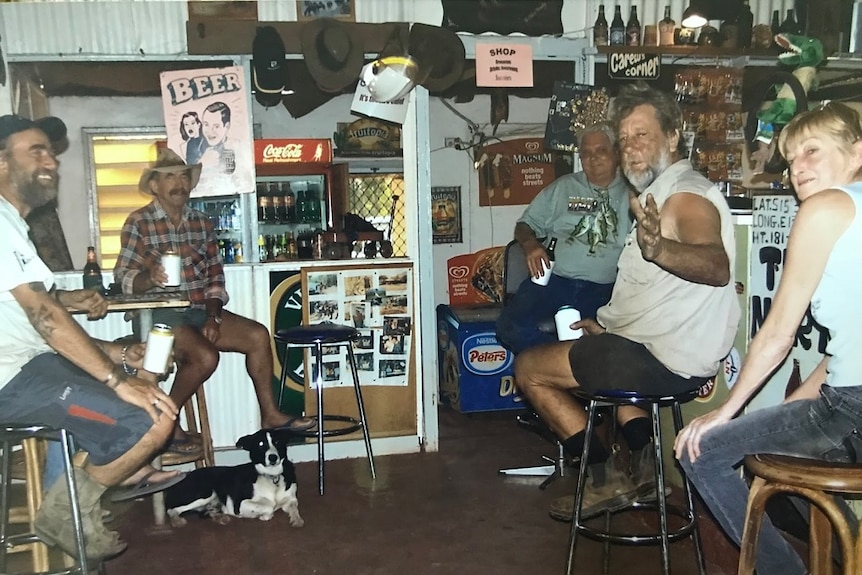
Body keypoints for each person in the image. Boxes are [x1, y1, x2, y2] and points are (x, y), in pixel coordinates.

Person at [513, 82, 740, 521]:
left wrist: (660, 249)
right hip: (657, 351)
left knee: (529, 369)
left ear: (673, 136)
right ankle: (646, 468)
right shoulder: (659, 191)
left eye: (643, 135)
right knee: (604, 364)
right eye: (626, 139)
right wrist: (610, 327)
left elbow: (716, 266)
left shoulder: (685, 194)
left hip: (662, 361)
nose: (631, 149)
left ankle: (602, 477)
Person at [675, 102, 862, 575]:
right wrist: (789, 410)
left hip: (853, 411)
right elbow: (846, 348)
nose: (798, 167)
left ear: (856, 152)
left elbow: (778, 334)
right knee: (786, 463)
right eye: (792, 156)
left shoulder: (824, 209)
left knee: (703, 453)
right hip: (847, 402)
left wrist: (726, 409)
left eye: (812, 151)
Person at [0, 114, 181, 560]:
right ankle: (66, 512)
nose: (51, 161)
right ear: (2, 163)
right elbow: (45, 318)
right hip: (10, 381)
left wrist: (120, 354)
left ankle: (76, 501)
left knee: (145, 391)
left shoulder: (12, 224)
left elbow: (37, 317)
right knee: (153, 417)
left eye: (51, 151)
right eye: (35, 151)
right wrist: (119, 381)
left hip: (29, 365)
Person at [114, 148, 313, 457]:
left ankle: (271, 414)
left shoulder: (201, 222)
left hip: (198, 310)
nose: (179, 184)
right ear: (154, 185)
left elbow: (215, 276)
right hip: (159, 315)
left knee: (258, 335)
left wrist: (213, 316)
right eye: (170, 177)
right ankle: (165, 421)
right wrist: (149, 278)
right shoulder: (138, 222)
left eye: (183, 177)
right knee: (205, 358)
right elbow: (123, 277)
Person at [495, 122, 632, 354]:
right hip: (555, 281)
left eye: (601, 151)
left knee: (614, 341)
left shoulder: (633, 192)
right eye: (586, 153)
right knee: (509, 327)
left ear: (616, 153)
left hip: (605, 289)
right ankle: (563, 363)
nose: (593, 158)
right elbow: (525, 225)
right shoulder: (564, 187)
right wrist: (530, 244)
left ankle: (565, 364)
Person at [199, 101, 236, 175]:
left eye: (216, 126)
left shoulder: (237, 147)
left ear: (227, 126)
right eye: (206, 124)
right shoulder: (197, 147)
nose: (210, 131)